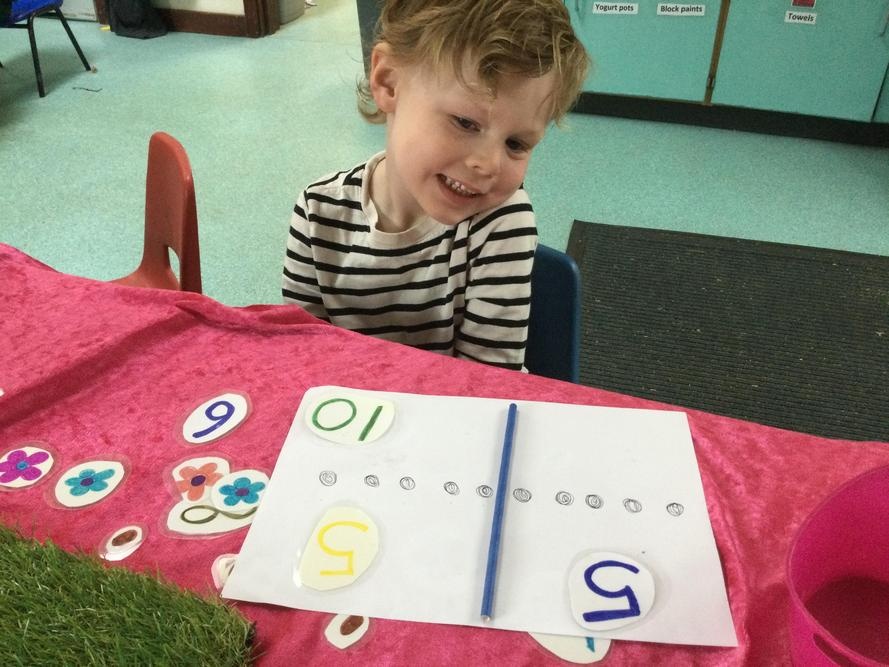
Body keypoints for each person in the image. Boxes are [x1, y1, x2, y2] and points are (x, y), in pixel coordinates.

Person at [282, 0, 588, 371]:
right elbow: (301, 363)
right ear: (388, 82)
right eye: (465, 122)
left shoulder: (504, 222)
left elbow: (483, 383)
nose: (488, 164)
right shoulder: (317, 212)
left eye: (515, 144)